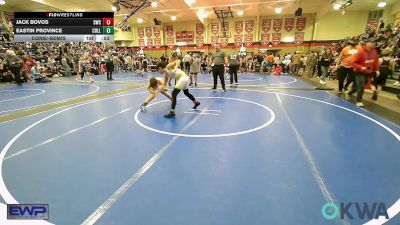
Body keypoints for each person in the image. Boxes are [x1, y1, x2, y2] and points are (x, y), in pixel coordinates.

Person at [157, 53, 200, 118]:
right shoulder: (166, 75)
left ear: (160, 68)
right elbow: (164, 85)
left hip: (183, 78)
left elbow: (178, 61)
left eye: (158, 70)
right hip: (185, 78)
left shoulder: (168, 66)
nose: (158, 72)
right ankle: (196, 102)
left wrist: (175, 68)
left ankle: (172, 112)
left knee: (174, 94)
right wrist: (161, 88)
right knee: (186, 93)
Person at [348, 41, 379, 107]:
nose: (373, 45)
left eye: (374, 44)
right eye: (371, 43)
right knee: (361, 85)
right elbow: (354, 63)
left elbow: (376, 61)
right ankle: (359, 101)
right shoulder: (361, 52)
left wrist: (377, 70)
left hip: (369, 72)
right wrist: (361, 67)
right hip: (360, 72)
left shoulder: (374, 51)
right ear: (367, 44)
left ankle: (351, 92)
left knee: (361, 86)